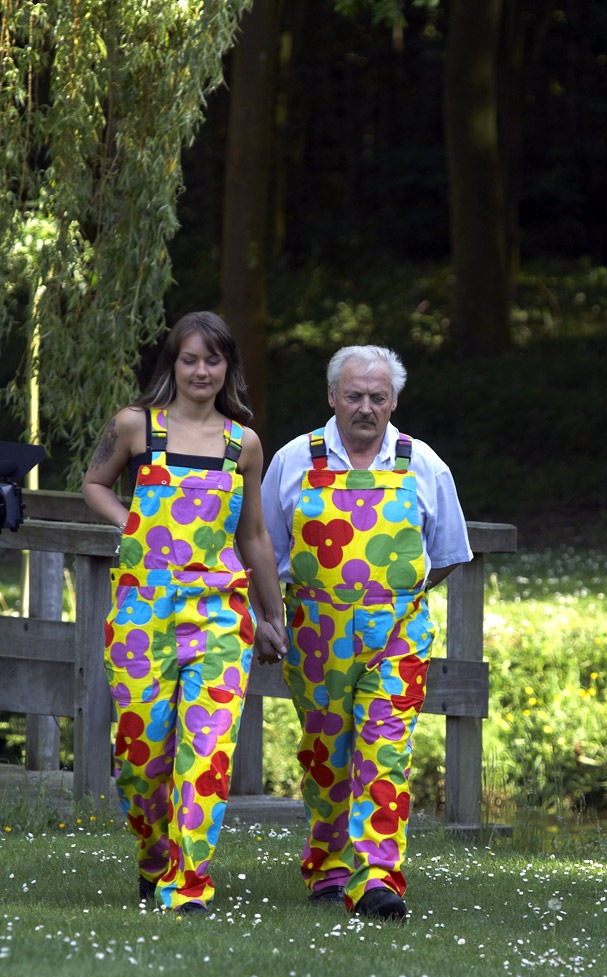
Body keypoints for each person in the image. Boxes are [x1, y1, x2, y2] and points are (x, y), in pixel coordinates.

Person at [82, 312, 287, 914]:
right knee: (140, 757)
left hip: (220, 618)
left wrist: (272, 617)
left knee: (208, 756)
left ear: (228, 367)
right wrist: (132, 523)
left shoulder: (243, 444)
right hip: (141, 618)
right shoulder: (135, 425)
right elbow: (94, 484)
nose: (201, 371)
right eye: (190, 359)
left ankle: (188, 883)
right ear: (172, 364)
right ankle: (155, 858)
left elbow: (254, 536)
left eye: (213, 360)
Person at [261, 344, 472, 920]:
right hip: (314, 636)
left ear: (394, 401)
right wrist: (268, 619)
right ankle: (330, 870)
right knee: (326, 756)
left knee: (385, 753)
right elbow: (263, 551)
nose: (365, 407)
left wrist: (388, 599)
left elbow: (447, 555)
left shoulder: (423, 463)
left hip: (397, 636)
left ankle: (377, 879)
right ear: (332, 396)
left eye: (378, 397)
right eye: (353, 395)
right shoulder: (293, 460)